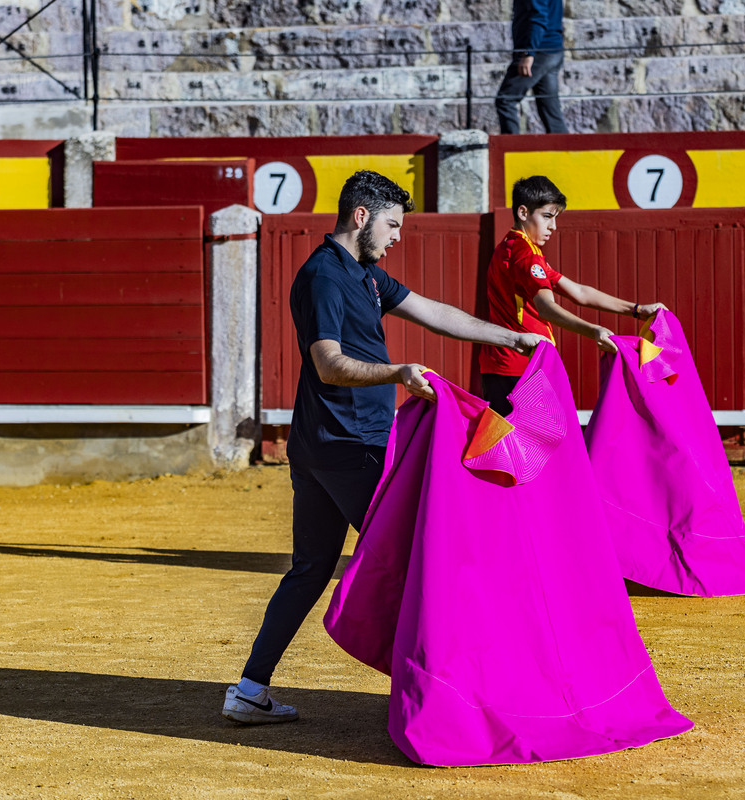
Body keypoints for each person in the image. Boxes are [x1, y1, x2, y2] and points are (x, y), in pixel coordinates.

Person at [222, 170, 546, 725]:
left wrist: (512, 336)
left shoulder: (365, 274)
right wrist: (397, 371)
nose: (398, 237)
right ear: (362, 217)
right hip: (352, 447)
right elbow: (328, 364)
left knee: (311, 568)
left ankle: (249, 689)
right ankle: (447, 694)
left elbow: (434, 313)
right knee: (418, 559)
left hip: (323, 445)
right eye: (393, 225)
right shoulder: (325, 276)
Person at [477, 175, 664, 417]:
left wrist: (637, 309)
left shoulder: (511, 247)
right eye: (547, 216)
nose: (553, 226)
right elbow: (547, 308)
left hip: (503, 365)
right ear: (523, 212)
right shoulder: (527, 255)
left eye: (555, 218)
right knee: (536, 448)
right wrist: (593, 330)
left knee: (511, 446)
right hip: (522, 367)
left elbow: (579, 292)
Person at [494, 0, 568, 134]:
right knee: (550, 108)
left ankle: (511, 150)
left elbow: (539, 17)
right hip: (553, 49)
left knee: (505, 100)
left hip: (538, 51)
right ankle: (566, 151)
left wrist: (528, 53)